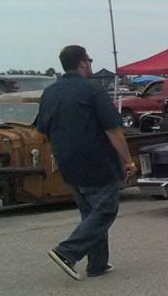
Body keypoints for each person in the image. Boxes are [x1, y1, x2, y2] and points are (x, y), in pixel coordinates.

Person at [37, 45, 134, 281]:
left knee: (90, 213)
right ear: (82, 62)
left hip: (67, 162)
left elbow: (43, 130)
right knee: (105, 210)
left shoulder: (49, 92)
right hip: (97, 160)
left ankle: (98, 264)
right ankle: (67, 252)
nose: (90, 64)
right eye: (89, 60)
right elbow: (113, 129)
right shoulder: (92, 90)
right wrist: (128, 161)